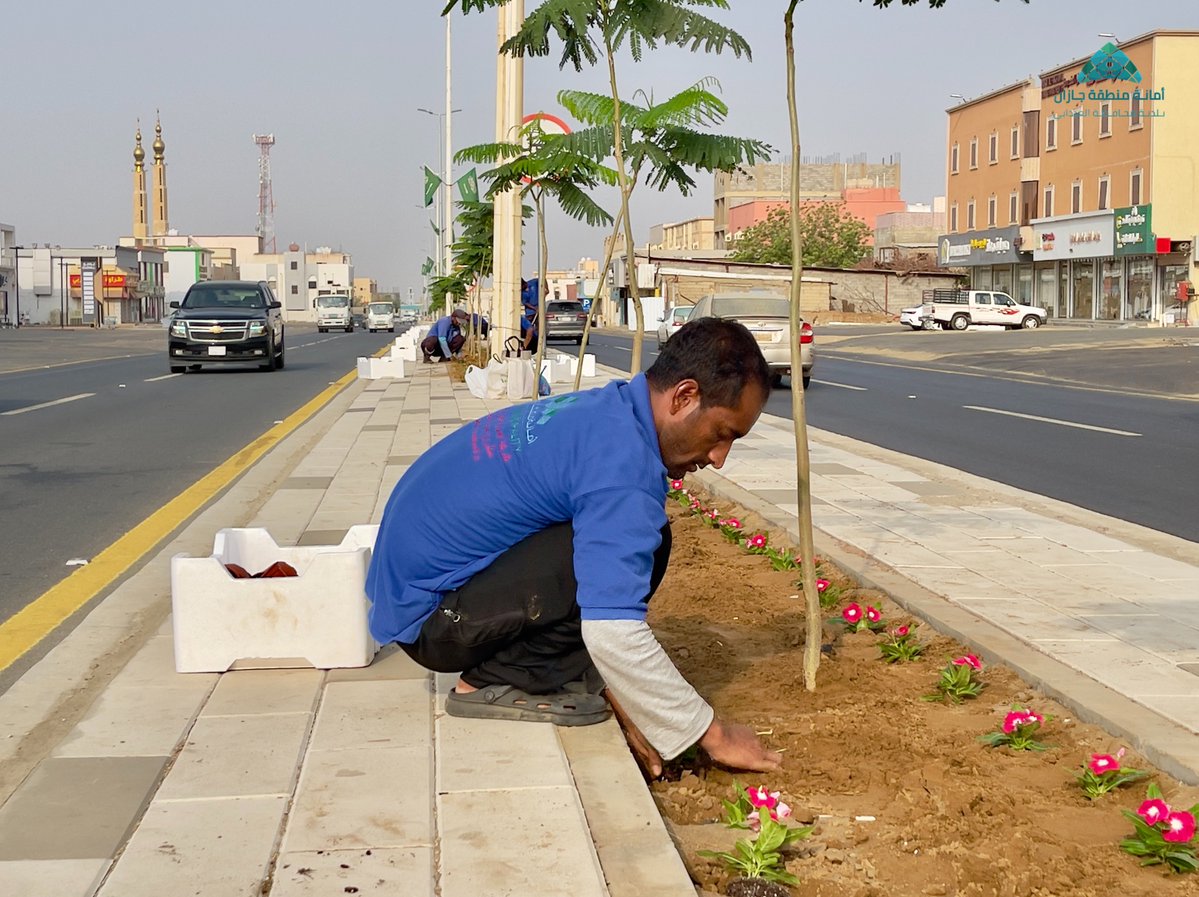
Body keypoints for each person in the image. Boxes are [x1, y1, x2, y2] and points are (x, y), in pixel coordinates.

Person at [366, 317, 781, 775]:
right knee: (637, 548)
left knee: (641, 541)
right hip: (431, 621)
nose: (720, 459)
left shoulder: (610, 410)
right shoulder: (623, 467)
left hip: (413, 594)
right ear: (683, 397)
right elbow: (612, 630)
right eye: (722, 433)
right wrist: (713, 734)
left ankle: (539, 665)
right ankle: (495, 679)